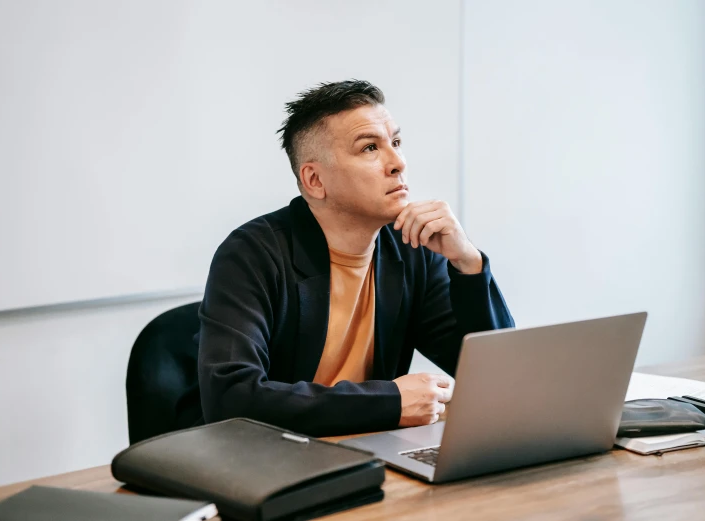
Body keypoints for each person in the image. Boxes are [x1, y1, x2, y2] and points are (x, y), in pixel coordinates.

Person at [198, 80, 513, 437]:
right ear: (315, 180)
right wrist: (390, 401)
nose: (398, 163)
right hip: (276, 463)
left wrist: (468, 264)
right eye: (369, 148)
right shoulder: (252, 254)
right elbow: (230, 399)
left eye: (395, 142)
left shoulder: (411, 249)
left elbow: (502, 378)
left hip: (370, 453)